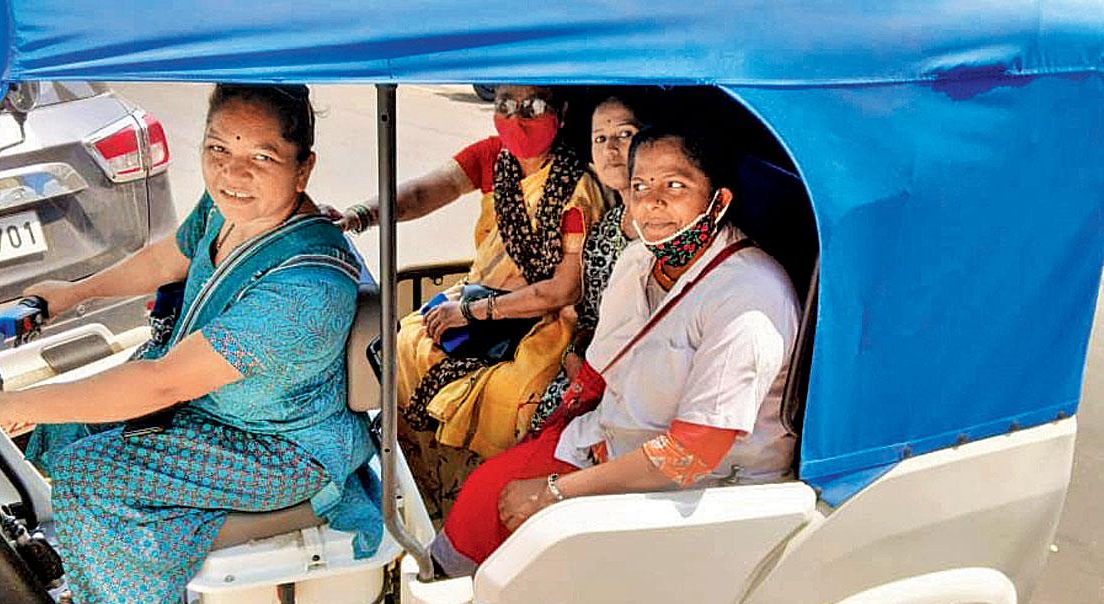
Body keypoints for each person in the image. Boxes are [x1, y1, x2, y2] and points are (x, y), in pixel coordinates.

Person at [0, 84, 381, 604]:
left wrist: (9, 403)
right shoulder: (232, 209)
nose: (232, 172)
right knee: (60, 432)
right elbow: (169, 259)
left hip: (279, 450)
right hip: (212, 406)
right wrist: (72, 292)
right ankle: (119, 570)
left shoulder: (307, 286)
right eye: (217, 149)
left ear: (303, 165)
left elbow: (162, 381)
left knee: (86, 477)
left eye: (261, 156)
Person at [430, 121, 802, 576]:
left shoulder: (750, 296)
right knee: (486, 493)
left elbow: (693, 452)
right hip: (615, 441)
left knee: (524, 540)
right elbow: (605, 360)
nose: (651, 202)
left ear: (718, 201)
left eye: (675, 185)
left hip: (702, 490)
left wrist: (555, 491)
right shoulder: (642, 257)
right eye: (641, 185)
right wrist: (552, 426)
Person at [335, 84, 605, 512]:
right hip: (477, 302)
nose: (517, 117)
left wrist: (475, 312)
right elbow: (426, 191)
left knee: (513, 392)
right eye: (505, 105)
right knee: (405, 342)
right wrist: (360, 216)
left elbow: (564, 289)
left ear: (562, 111)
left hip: (547, 319)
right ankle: (425, 494)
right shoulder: (492, 157)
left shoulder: (579, 185)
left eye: (533, 106)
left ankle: (487, 503)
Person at [528, 89, 654, 431]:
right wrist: (576, 351)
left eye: (625, 135)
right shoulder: (606, 230)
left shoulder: (667, 232)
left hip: (635, 399)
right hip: (583, 382)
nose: (611, 150)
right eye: (600, 138)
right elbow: (591, 317)